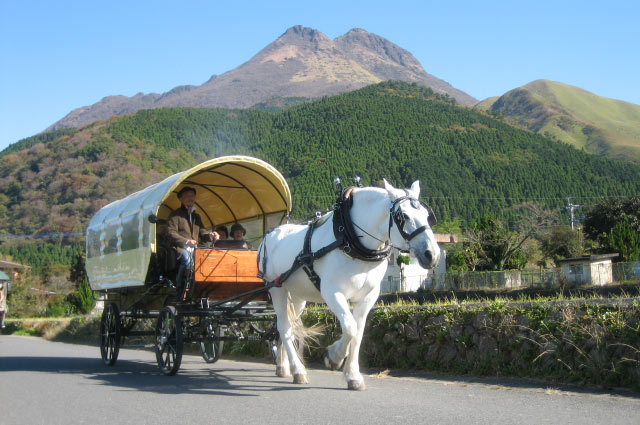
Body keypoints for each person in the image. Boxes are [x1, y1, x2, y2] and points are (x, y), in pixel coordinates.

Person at [167, 187, 219, 293]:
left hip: (196, 249)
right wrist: (186, 241)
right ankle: (182, 290)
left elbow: (203, 233)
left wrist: (211, 235)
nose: (190, 198)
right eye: (187, 195)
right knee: (187, 259)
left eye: (192, 195)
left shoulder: (196, 216)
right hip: (181, 248)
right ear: (181, 199)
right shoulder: (175, 215)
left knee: (212, 258)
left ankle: (204, 288)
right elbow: (170, 233)